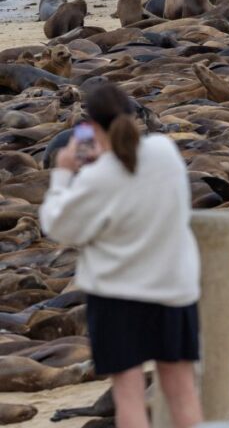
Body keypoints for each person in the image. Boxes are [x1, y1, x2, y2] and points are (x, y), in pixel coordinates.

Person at [39, 84, 202, 428]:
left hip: (118, 299)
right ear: (134, 119)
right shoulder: (164, 152)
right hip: (174, 289)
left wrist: (64, 172)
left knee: (128, 396)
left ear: (92, 128)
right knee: (182, 391)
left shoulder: (96, 178)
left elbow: (57, 225)